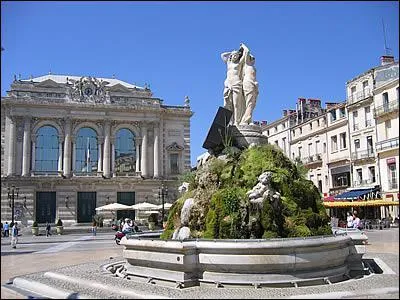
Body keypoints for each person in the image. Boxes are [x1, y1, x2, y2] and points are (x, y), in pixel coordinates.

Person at [221, 45, 246, 126]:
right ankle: (230, 121)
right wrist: (232, 52)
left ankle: (236, 121)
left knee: (236, 104)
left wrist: (242, 49)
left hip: (236, 83)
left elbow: (246, 53)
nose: (235, 56)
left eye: (236, 55)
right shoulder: (229, 63)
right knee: (228, 104)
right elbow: (223, 55)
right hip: (228, 84)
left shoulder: (239, 63)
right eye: (234, 55)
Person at [240, 43, 259, 125]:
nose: (253, 60)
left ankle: (249, 119)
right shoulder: (247, 65)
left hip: (254, 85)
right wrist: (243, 46)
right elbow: (247, 51)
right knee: (249, 102)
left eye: (254, 58)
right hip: (248, 83)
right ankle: (245, 120)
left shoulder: (253, 67)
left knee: (253, 103)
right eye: (252, 58)